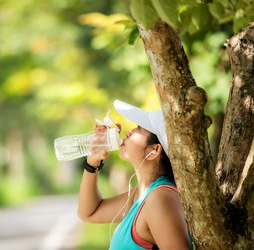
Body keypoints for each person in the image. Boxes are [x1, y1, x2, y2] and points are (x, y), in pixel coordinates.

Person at [77, 99, 194, 249]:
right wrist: (93, 161)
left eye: (139, 128)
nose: (128, 131)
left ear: (154, 151)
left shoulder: (160, 198)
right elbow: (89, 213)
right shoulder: (142, 195)